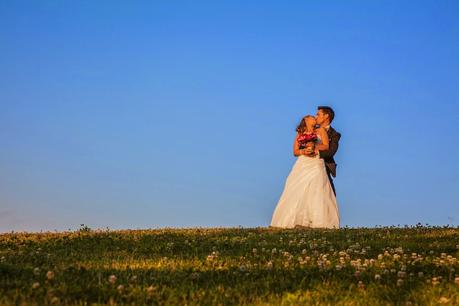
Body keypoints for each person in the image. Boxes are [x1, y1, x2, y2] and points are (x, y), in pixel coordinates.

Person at [270, 112, 340, 229]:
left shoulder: (321, 131)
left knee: (317, 188)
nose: (314, 117)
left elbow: (326, 146)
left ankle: (319, 221)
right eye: (311, 117)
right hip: (303, 163)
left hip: (316, 162)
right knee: (297, 188)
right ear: (305, 120)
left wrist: (314, 147)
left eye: (315, 116)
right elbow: (295, 151)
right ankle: (294, 220)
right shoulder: (300, 133)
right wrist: (304, 151)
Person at [315, 106, 341, 195]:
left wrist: (315, 152)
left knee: (330, 196)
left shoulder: (334, 134)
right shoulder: (311, 129)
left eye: (318, 114)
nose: (315, 117)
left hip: (324, 167)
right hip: (307, 164)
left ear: (326, 116)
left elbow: (331, 151)